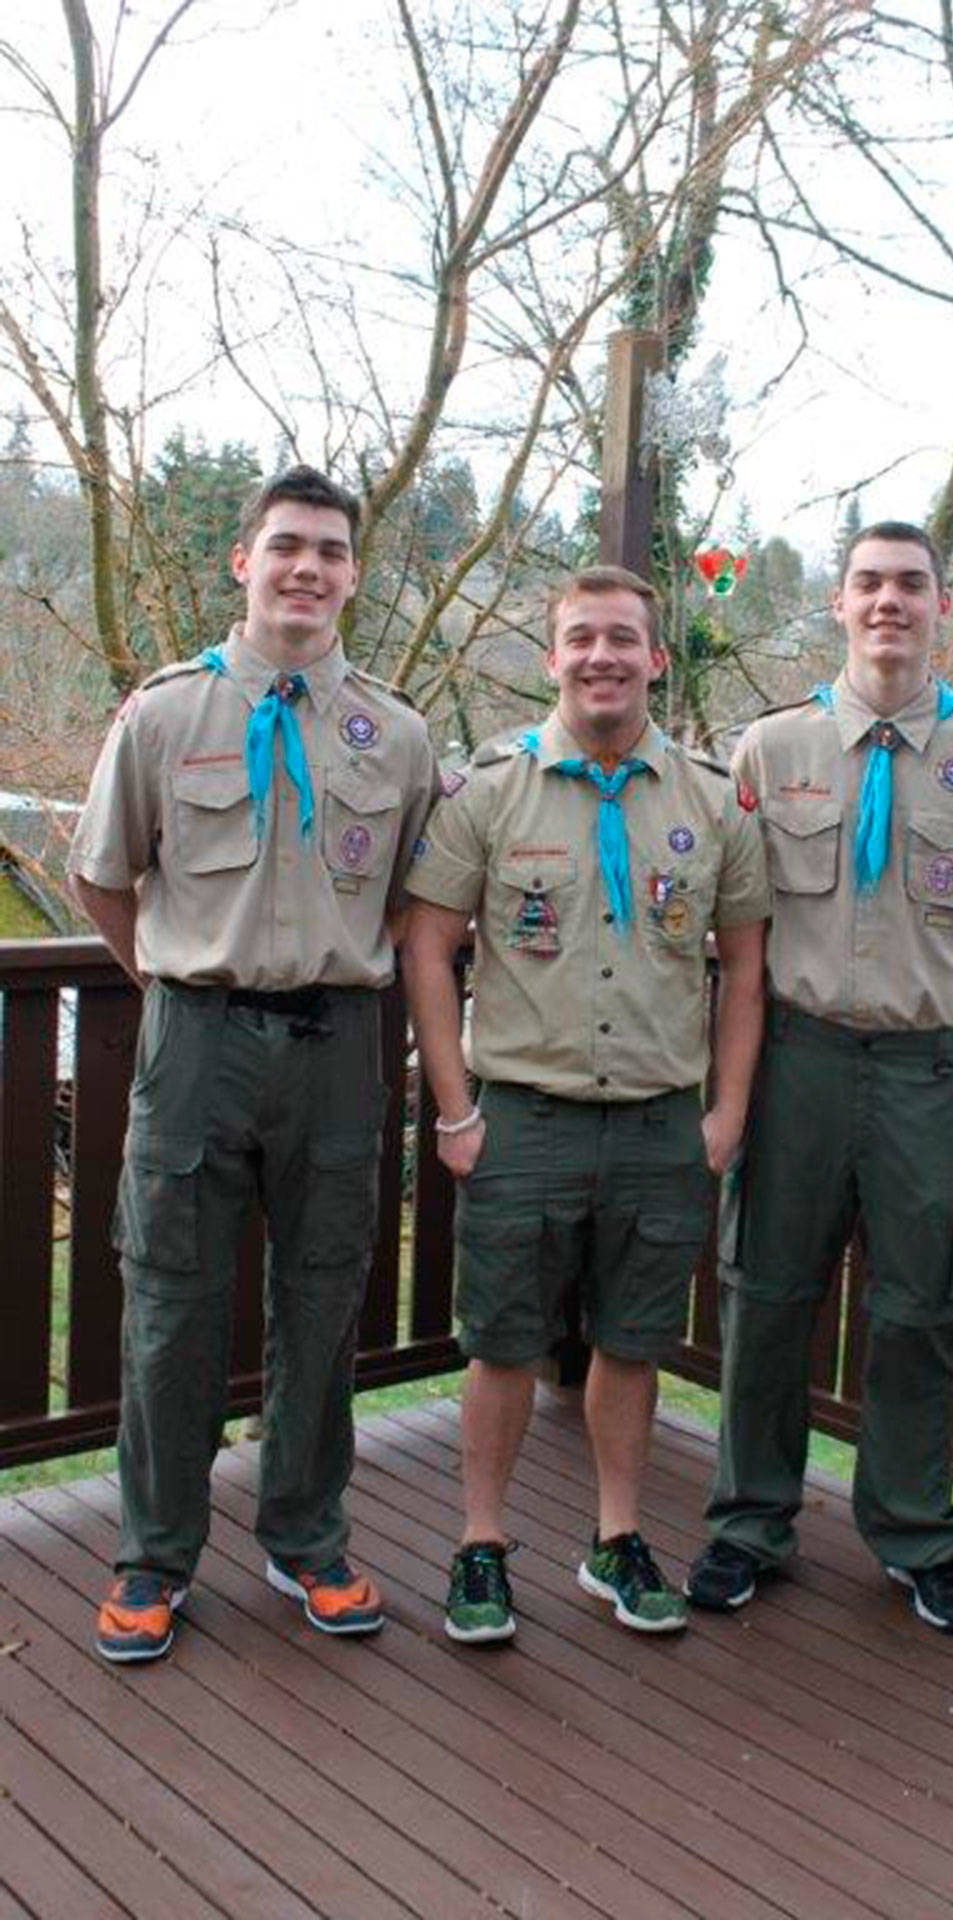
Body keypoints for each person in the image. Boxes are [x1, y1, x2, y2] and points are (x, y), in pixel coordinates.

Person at [68, 465, 439, 1663]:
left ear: (353, 575)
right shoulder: (165, 715)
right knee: (169, 1304)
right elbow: (101, 875)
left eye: (329, 551)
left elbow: (419, 898)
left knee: (325, 1299)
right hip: (196, 1043)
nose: (306, 569)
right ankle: (153, 1556)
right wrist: (175, 982)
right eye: (286, 546)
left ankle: (306, 1539)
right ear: (245, 561)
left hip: (337, 1048)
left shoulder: (397, 734)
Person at [403, 563, 769, 1645]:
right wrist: (456, 1108)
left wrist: (725, 1116)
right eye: (581, 639)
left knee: (633, 1341)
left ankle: (616, 1539)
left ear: (656, 658)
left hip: (659, 1121)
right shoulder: (488, 789)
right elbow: (427, 946)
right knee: (502, 1343)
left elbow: (745, 968)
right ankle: (481, 1543)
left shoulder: (712, 799)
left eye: (621, 638)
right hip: (525, 1116)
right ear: (552, 657)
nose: (601, 657)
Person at [685, 521, 953, 1635]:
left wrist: (909, 989)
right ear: (838, 603)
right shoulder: (768, 750)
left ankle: (914, 1533)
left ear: (942, 605)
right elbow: (734, 925)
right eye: (868, 583)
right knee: (765, 1297)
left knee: (920, 1304)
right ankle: (750, 1524)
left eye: (910, 584)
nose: (889, 601)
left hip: (923, 1070)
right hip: (796, 1060)